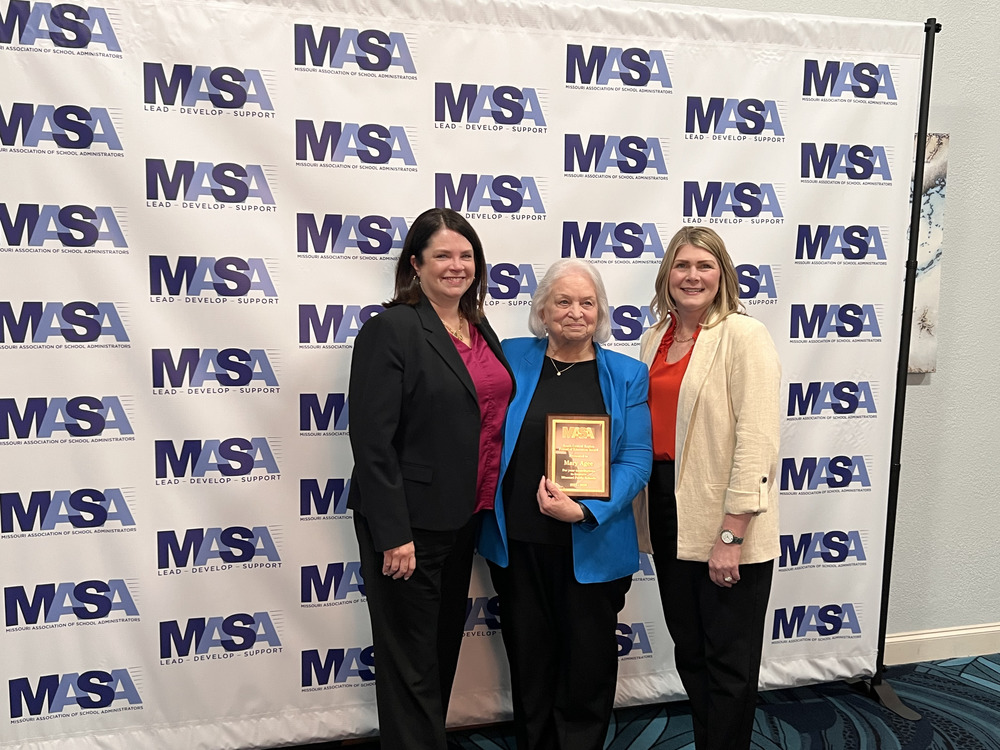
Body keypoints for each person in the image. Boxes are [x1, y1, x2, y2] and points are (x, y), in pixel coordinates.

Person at [347, 207, 514, 750]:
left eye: (466, 256)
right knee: (410, 664)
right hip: (408, 526)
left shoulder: (478, 327)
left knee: (439, 653)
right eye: (442, 255)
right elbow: (372, 442)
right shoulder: (390, 329)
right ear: (415, 263)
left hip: (463, 516)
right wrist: (394, 532)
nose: (456, 265)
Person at [479, 259, 652, 750]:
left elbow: (636, 459)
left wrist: (586, 511)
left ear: (600, 313)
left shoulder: (625, 374)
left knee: (587, 666)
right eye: (563, 301)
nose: (575, 312)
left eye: (587, 303)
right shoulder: (512, 357)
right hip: (519, 543)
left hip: (590, 541)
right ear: (542, 309)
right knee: (530, 662)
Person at [639, 226, 781, 750]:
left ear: (722, 274)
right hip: (667, 508)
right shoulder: (653, 338)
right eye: (682, 265)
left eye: (704, 265)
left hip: (724, 518)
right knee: (691, 651)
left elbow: (758, 438)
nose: (692, 276)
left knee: (728, 660)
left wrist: (732, 533)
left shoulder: (744, 335)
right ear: (666, 275)